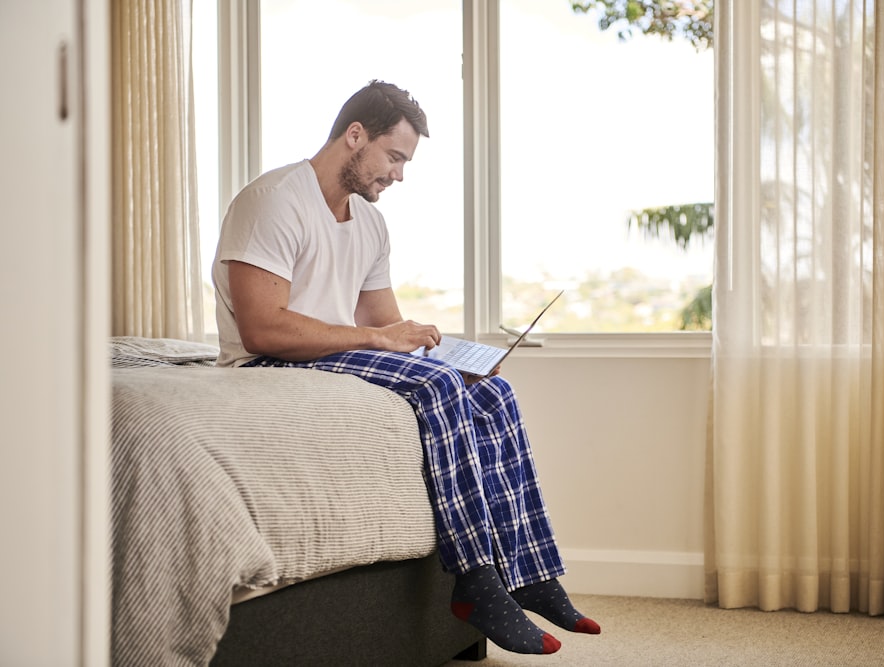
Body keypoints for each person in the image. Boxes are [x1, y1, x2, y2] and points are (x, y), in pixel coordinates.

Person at [211, 80, 599, 655]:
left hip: (336, 356)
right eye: (394, 158)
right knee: (438, 385)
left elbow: (384, 325)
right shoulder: (272, 200)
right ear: (355, 136)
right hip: (270, 361)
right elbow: (262, 328)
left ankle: (530, 570)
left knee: (493, 394)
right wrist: (382, 341)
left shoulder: (369, 224)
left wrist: (439, 354)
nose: (398, 175)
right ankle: (476, 581)